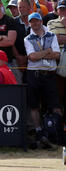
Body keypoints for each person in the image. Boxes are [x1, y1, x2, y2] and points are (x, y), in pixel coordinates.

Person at [24, 12, 62, 149]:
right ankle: (39, 133)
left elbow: (57, 55)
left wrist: (40, 54)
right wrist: (47, 52)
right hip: (33, 74)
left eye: (36, 21)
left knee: (55, 105)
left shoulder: (51, 36)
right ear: (29, 23)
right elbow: (32, 57)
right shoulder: (27, 38)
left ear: (41, 22)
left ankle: (57, 134)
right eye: (32, 22)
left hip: (49, 74)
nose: (34, 24)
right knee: (34, 106)